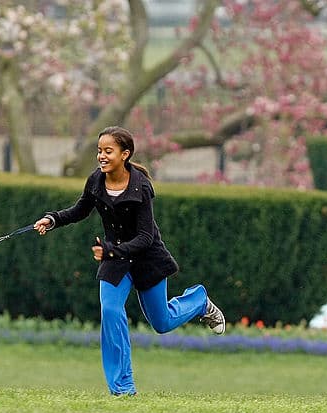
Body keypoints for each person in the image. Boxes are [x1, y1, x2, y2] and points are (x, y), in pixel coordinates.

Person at [33, 126, 226, 396]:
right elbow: (80, 210)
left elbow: (145, 237)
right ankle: (123, 387)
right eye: (99, 151)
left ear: (125, 154)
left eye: (108, 151)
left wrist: (111, 252)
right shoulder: (96, 180)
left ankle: (199, 301)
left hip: (146, 259)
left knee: (162, 323)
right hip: (115, 261)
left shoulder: (141, 186)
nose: (101, 156)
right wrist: (52, 219)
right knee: (111, 311)